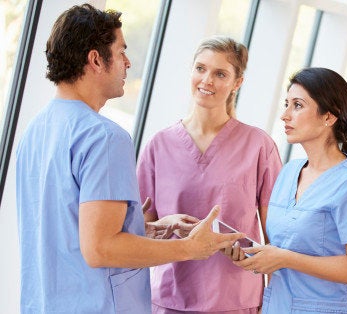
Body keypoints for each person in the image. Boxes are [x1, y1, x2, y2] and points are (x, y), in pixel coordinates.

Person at [15, 4, 243, 314]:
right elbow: (100, 248)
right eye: (121, 52)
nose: (128, 63)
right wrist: (190, 248)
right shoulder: (104, 137)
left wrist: (143, 228)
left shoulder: (36, 128)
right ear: (96, 60)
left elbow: (69, 229)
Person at [136, 35, 282, 313]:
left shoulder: (259, 147)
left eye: (220, 73)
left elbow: (277, 240)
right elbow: (140, 232)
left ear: (237, 83)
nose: (207, 80)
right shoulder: (159, 145)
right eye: (200, 68)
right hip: (170, 299)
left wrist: (272, 300)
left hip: (236, 301)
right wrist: (164, 224)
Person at [234, 67, 347, 313]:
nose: (285, 115)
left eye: (298, 105)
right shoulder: (289, 172)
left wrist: (285, 258)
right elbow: (278, 248)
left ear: (329, 117)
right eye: (286, 104)